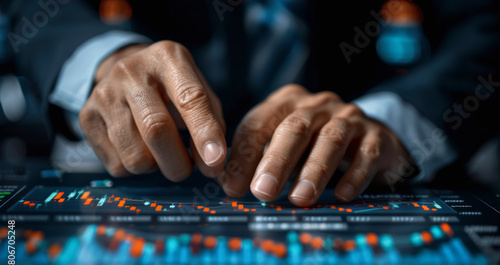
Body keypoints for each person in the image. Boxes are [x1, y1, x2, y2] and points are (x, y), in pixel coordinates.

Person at [2, 0, 500, 206]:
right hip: (146, 170)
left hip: (346, 159)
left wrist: (392, 119)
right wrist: (101, 60)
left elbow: (485, 22)